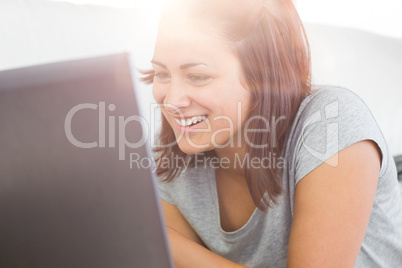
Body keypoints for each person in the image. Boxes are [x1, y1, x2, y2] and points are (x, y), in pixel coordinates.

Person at [142, 0, 402, 267]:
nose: (172, 100)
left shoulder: (331, 121)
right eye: (161, 74)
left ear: (263, 77)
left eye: (197, 76)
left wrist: (157, 238)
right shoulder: (173, 163)